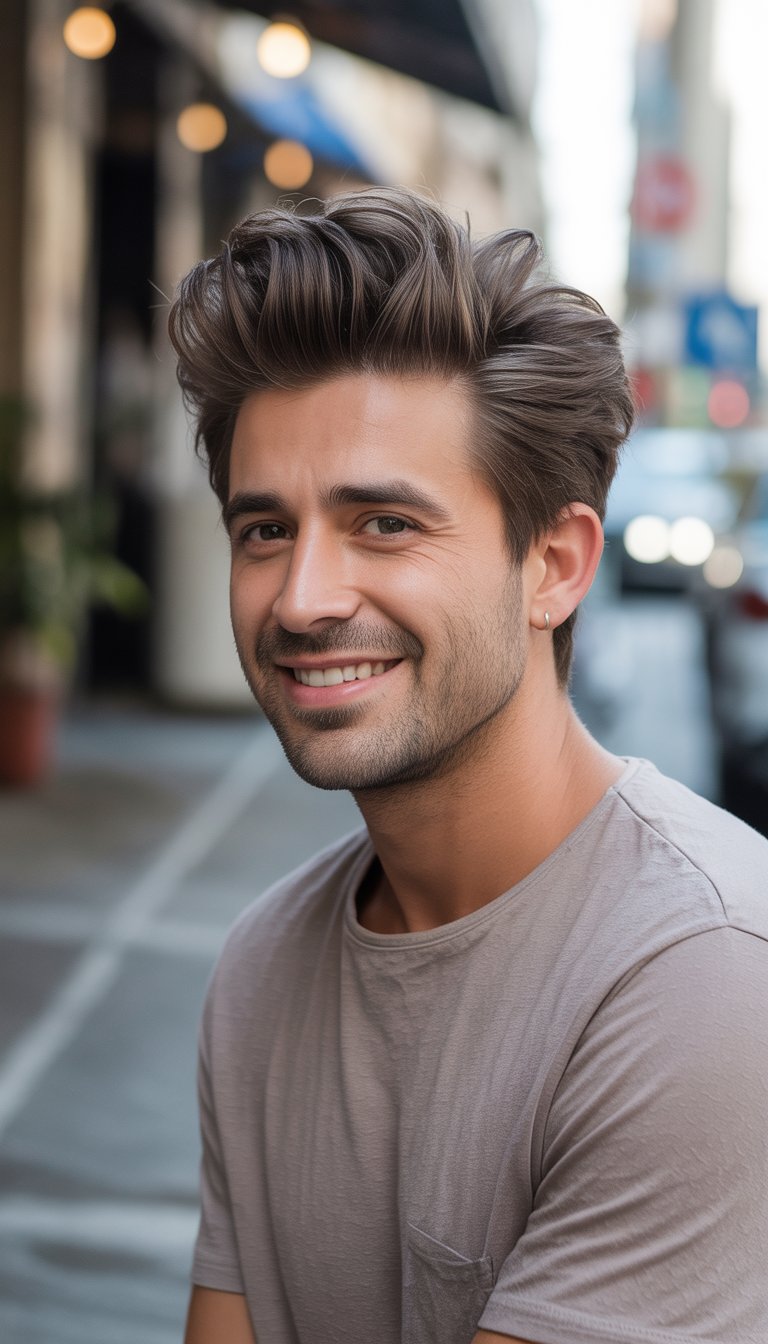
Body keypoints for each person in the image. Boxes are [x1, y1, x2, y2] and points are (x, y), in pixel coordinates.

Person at [169, 188, 768, 1344]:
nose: (302, 599)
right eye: (265, 530)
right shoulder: (261, 968)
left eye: (384, 524)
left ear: (553, 564)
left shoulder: (704, 975)